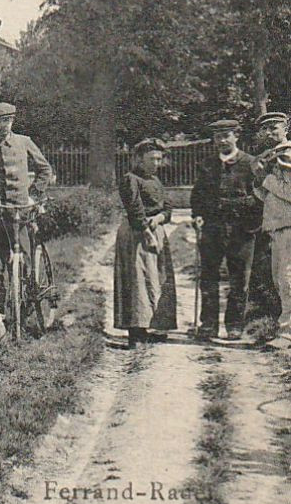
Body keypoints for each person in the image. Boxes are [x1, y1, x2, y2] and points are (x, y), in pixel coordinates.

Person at [0, 101, 55, 297]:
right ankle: (1, 312)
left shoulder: (24, 142)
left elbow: (45, 169)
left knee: (22, 258)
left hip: (22, 210)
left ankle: (27, 299)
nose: (4, 125)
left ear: (12, 121)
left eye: (8, 120)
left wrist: (34, 195)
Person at [191, 119, 263, 341]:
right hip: (213, 229)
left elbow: (259, 197)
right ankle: (208, 325)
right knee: (208, 277)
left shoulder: (251, 163)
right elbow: (198, 195)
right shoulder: (207, 165)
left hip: (242, 230)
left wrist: (238, 207)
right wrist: (197, 216)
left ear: (236, 136)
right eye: (218, 136)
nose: (222, 140)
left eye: (227, 135)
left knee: (239, 279)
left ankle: (234, 325)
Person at [114, 139, 178, 345]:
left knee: (158, 277)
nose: (156, 163)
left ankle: (156, 325)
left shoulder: (156, 180)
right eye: (152, 159)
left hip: (155, 230)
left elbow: (167, 207)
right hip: (136, 234)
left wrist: (160, 219)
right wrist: (146, 231)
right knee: (138, 279)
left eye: (159, 159)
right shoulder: (129, 179)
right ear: (139, 160)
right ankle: (136, 330)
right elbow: (134, 208)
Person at [256, 140, 291, 348]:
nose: (269, 133)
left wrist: (266, 178)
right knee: (279, 281)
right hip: (277, 229)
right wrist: (261, 179)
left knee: (287, 280)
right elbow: (265, 196)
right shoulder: (273, 161)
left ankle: (287, 333)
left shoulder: (286, 159)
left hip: (288, 227)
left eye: (274, 127)